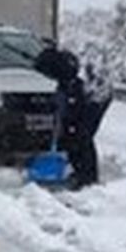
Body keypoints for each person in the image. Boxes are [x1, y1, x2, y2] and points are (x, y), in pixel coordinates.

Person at [34, 45, 112, 189]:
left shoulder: (69, 75)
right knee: (73, 134)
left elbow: (71, 104)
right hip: (90, 93)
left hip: (97, 95)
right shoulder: (62, 71)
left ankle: (88, 178)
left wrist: (67, 123)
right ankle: (79, 171)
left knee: (82, 136)